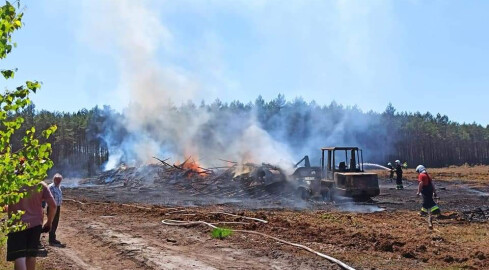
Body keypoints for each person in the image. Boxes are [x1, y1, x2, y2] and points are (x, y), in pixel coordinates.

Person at [7, 182, 57, 270]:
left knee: (19, 256)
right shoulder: (40, 184)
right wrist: (49, 222)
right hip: (35, 225)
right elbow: (53, 205)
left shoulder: (12, 182)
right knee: (31, 255)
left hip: (16, 224)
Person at [48, 173, 64, 247]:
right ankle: (51, 240)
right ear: (54, 180)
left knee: (55, 223)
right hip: (52, 207)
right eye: (58, 180)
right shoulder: (51, 187)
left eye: (60, 180)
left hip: (57, 207)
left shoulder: (58, 187)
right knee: (52, 222)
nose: (59, 182)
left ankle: (53, 238)